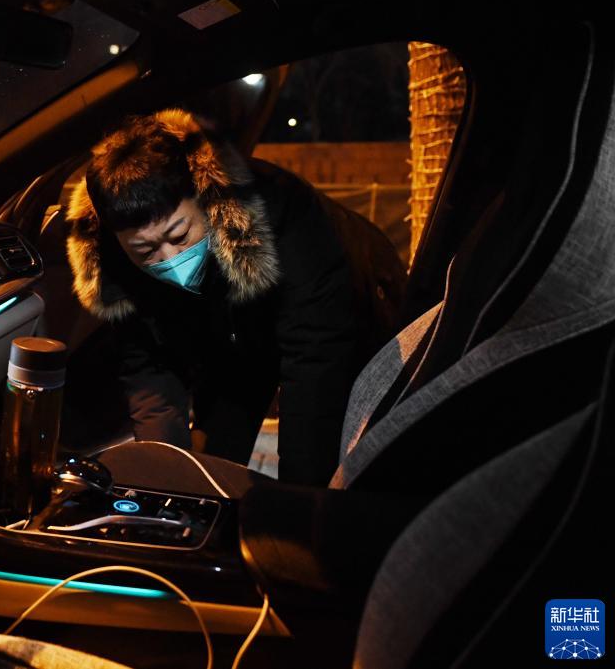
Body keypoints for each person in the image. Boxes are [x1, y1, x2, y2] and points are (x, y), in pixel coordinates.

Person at [64, 108, 406, 485]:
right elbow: (150, 370)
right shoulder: (114, 263)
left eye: (180, 235)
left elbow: (315, 362)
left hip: (355, 302)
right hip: (236, 337)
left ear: (203, 198)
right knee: (208, 466)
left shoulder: (279, 211)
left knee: (345, 459)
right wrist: (166, 481)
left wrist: (300, 498)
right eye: (145, 251)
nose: (170, 258)